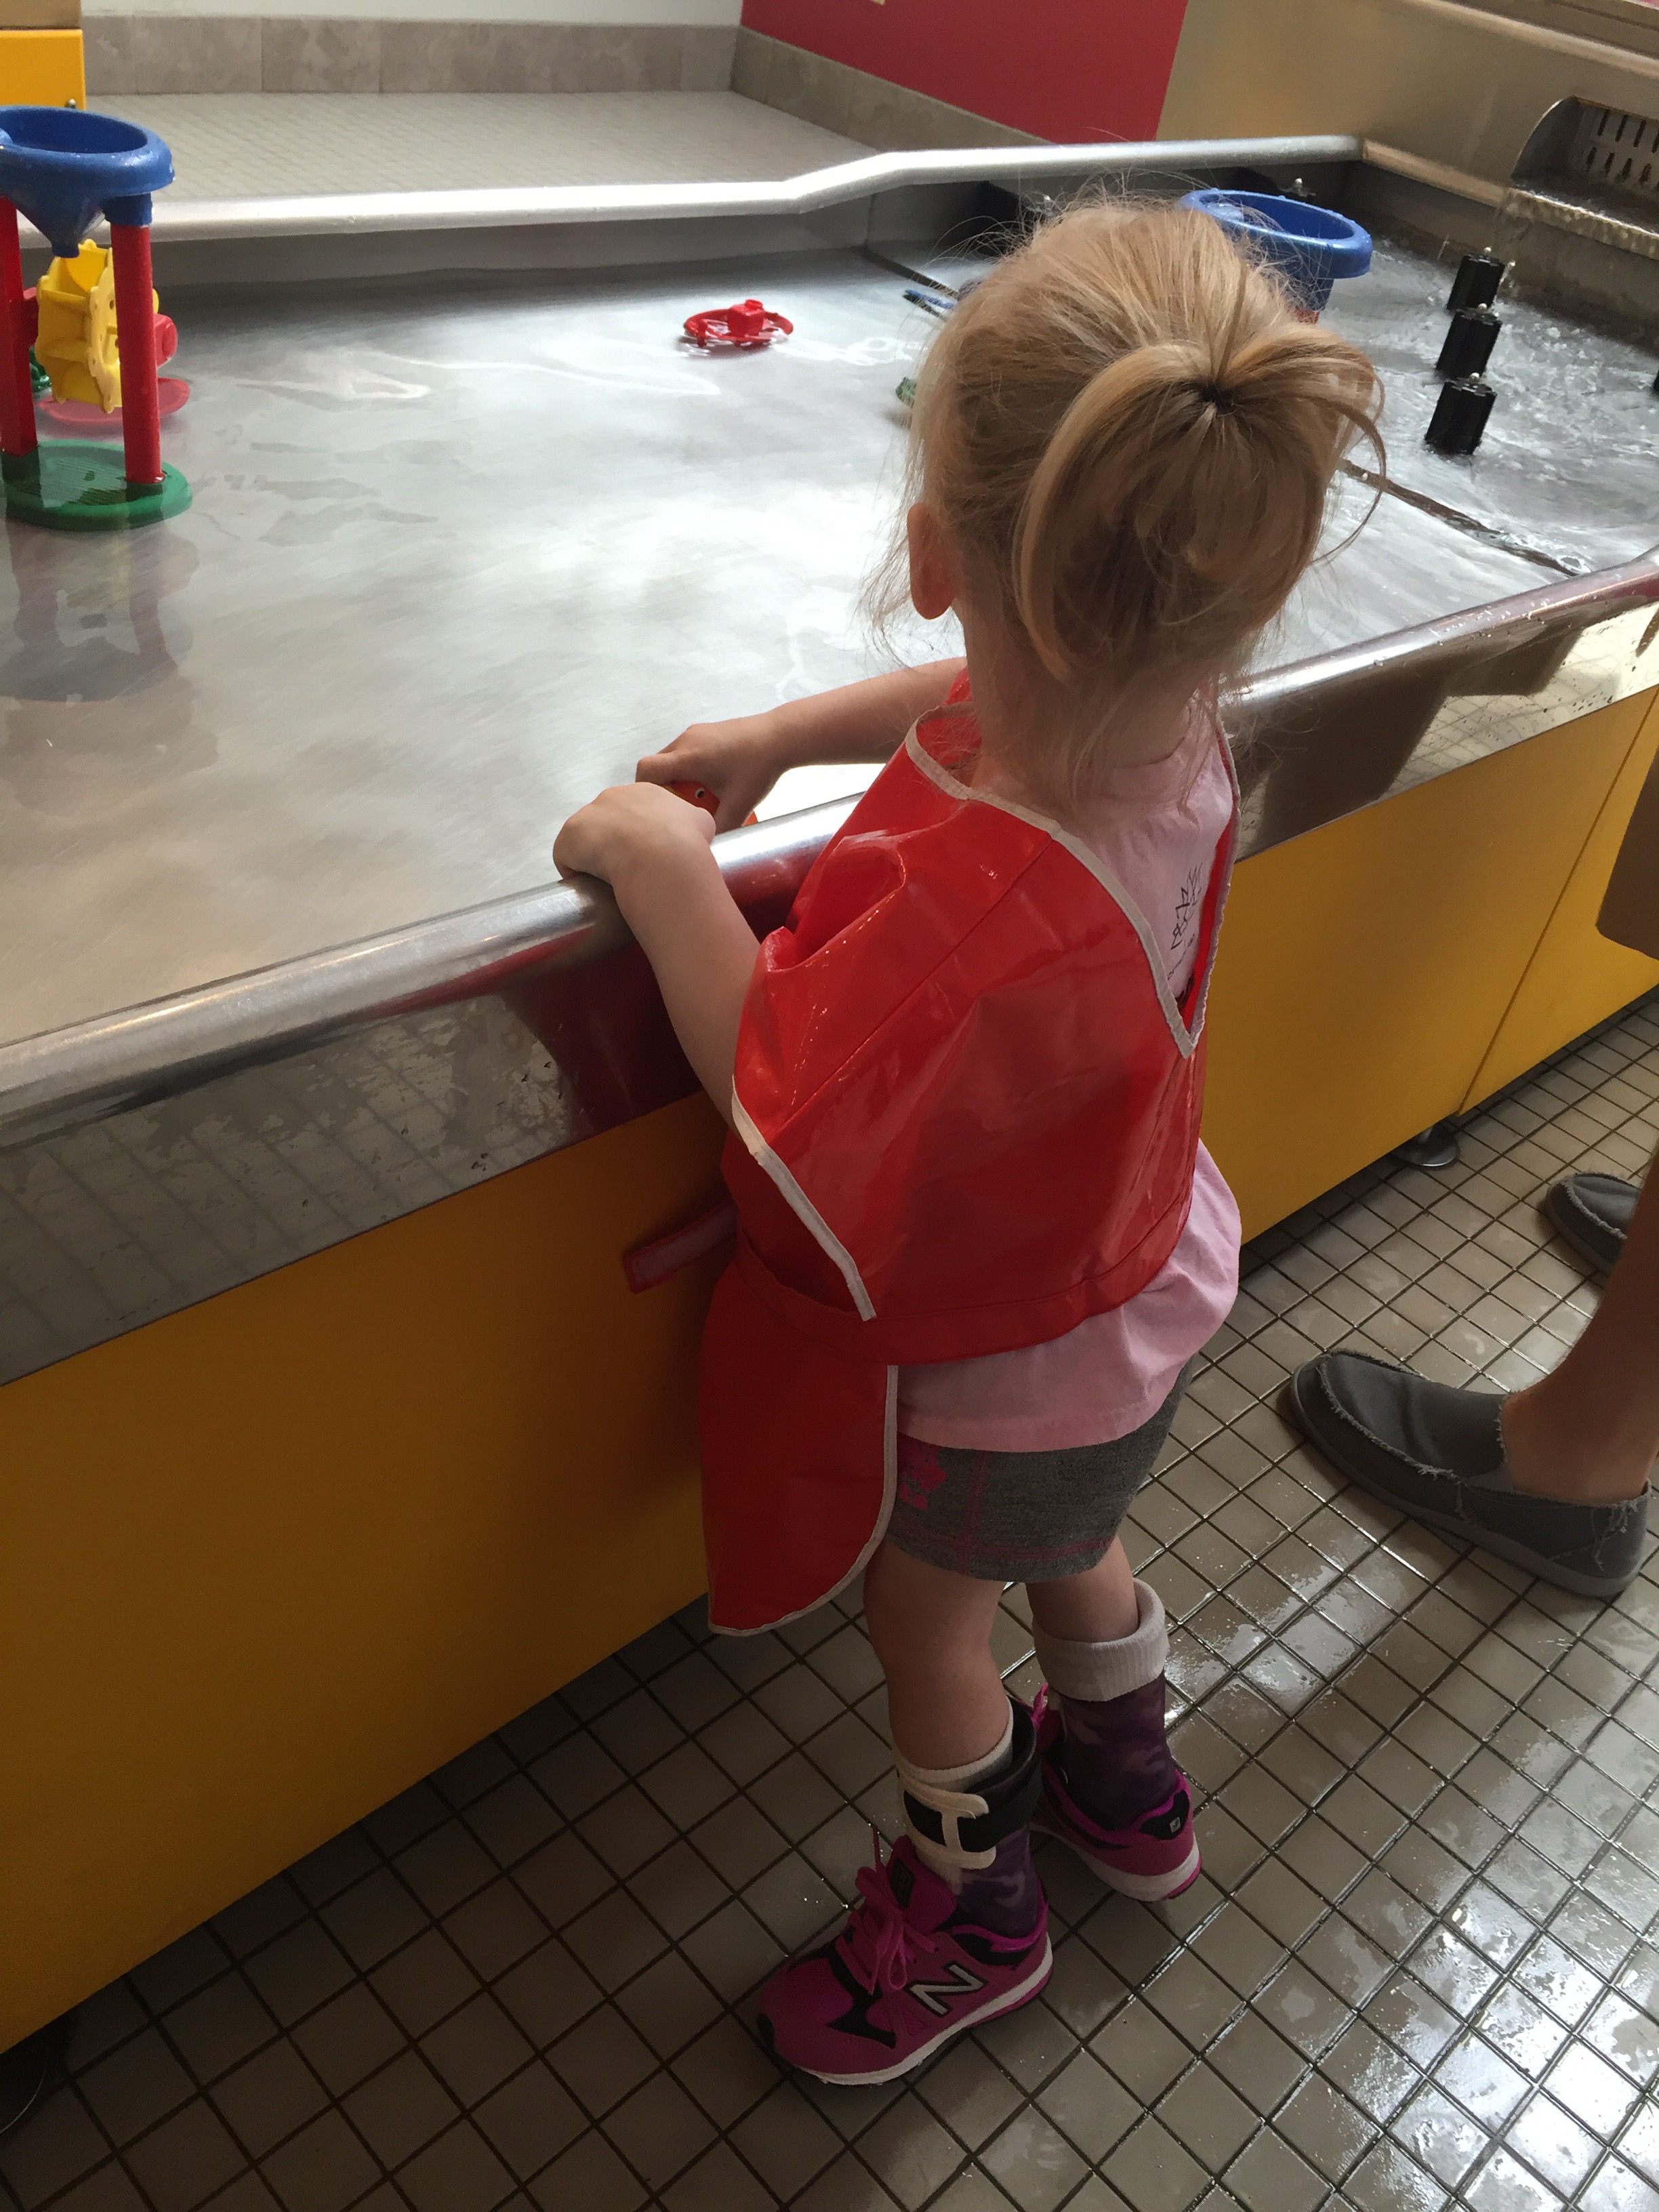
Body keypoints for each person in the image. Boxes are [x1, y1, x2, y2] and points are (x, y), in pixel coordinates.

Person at [554, 201, 1381, 2085]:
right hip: (1135, 1281)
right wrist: (790, 733)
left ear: (934, 554)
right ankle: (1128, 1787)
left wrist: (666, 864)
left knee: (931, 1621)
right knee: (1076, 1543)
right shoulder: (1174, 725)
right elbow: (985, 692)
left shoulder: (983, 900)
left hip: (1007, 1363)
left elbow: (783, 1101)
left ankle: (973, 1917)